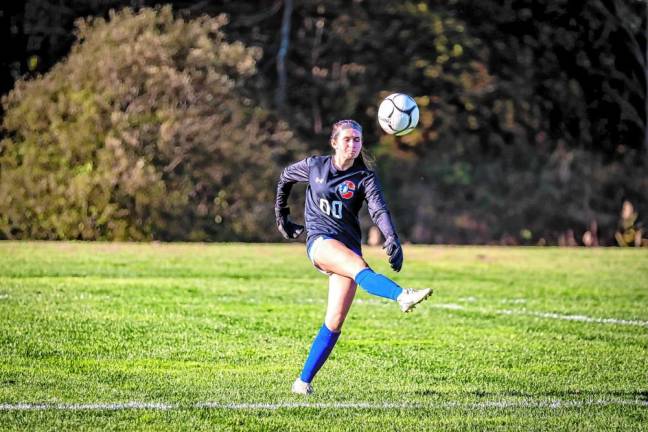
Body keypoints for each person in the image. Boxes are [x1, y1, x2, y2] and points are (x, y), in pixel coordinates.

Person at [275, 119, 432, 395]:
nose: (352, 144)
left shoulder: (364, 177)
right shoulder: (315, 166)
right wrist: (282, 215)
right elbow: (286, 176)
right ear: (334, 142)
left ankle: (302, 382)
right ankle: (401, 295)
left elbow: (379, 210)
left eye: (357, 140)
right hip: (320, 243)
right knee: (359, 266)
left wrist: (391, 236)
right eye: (347, 139)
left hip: (347, 247)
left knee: (334, 321)